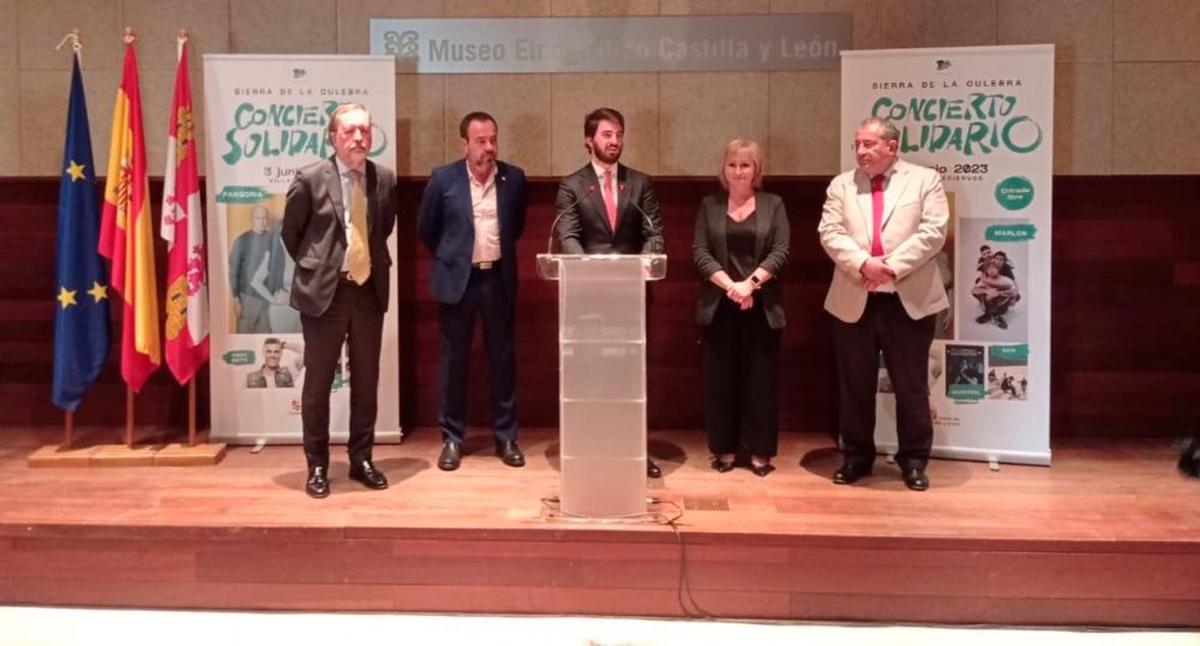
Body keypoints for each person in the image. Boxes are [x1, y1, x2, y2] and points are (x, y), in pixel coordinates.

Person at [817, 117, 949, 491]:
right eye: (857, 144)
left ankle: (914, 461)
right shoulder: (841, 185)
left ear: (892, 147)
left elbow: (933, 232)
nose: (861, 151)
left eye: (869, 144)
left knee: (912, 386)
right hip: (854, 298)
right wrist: (864, 264)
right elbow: (830, 232)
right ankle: (857, 457)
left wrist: (889, 267)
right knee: (855, 385)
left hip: (908, 300)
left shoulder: (925, 180)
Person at [281, 103, 397, 499]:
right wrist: (319, 267)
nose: (358, 138)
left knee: (366, 382)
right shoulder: (311, 178)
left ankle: (361, 458)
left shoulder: (385, 178)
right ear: (334, 137)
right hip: (324, 296)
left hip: (367, 292)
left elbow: (382, 229)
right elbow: (291, 234)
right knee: (317, 386)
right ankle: (317, 465)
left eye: (364, 130)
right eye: (349, 132)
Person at [554, 107, 665, 478]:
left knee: (629, 376)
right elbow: (567, 236)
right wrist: (590, 276)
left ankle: (634, 449)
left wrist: (644, 266)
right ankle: (590, 447)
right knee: (591, 375)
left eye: (618, 134)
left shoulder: (639, 184)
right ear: (589, 140)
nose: (614, 141)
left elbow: (654, 233)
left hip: (631, 297)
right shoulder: (572, 185)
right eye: (606, 134)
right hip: (587, 300)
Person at [418, 112, 527, 472]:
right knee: (453, 363)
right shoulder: (443, 179)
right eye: (481, 141)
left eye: (493, 139)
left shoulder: (514, 178)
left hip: (498, 279)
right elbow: (427, 230)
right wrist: (454, 258)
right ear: (464, 144)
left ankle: (506, 436)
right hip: (458, 282)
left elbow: (517, 227)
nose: (489, 148)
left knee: (502, 360)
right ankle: (452, 438)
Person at [692, 139, 789, 477]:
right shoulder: (710, 205)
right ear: (724, 168)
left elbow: (780, 251)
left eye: (745, 165)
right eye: (732, 164)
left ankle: (760, 452)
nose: (738, 171)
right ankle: (726, 450)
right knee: (721, 382)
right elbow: (701, 253)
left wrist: (750, 285)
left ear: (756, 170)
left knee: (760, 382)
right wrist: (732, 286)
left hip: (762, 306)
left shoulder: (773, 204)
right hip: (720, 306)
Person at [228, 204, 285, 333]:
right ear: (252, 219)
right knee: (244, 336)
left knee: (266, 337)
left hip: (267, 299)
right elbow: (233, 270)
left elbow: (279, 267)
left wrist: (277, 289)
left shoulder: (273, 240)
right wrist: (236, 299)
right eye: (259, 218)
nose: (262, 221)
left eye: (265, 218)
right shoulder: (242, 240)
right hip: (247, 298)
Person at [971, 257, 1020, 329]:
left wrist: (1000, 293)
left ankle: (994, 316)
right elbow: (973, 290)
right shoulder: (985, 281)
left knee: (1006, 295)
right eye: (988, 269)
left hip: (1002, 307)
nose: (991, 270)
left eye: (992, 268)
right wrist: (987, 291)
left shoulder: (1006, 280)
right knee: (982, 293)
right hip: (988, 305)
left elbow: (1015, 292)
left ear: (998, 270)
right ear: (986, 272)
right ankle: (990, 315)